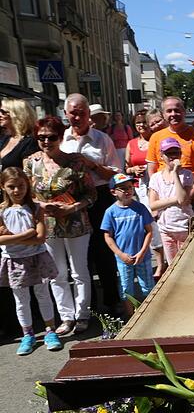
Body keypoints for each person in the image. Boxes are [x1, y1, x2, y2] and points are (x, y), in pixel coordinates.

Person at [24, 116, 97, 335]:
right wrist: (41, 205)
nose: (46, 142)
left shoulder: (76, 162)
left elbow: (91, 194)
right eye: (41, 137)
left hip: (76, 223)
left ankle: (82, 314)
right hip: (47, 224)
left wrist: (73, 207)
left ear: (60, 136)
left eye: (51, 137)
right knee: (56, 273)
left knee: (79, 272)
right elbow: (26, 196)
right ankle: (66, 317)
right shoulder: (31, 163)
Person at [61, 94, 122, 318]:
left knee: (103, 250)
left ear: (89, 115)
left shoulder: (102, 139)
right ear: (66, 113)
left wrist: (91, 164)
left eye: (81, 113)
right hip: (71, 198)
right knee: (79, 255)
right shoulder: (61, 139)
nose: (77, 117)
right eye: (73, 112)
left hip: (99, 197)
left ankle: (112, 300)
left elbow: (115, 173)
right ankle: (89, 305)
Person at [0, 167, 61, 355]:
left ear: (27, 185)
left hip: (36, 257)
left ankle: (50, 330)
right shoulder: (2, 211)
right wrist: (27, 234)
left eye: (21, 186)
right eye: (12, 187)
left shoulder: (35, 208)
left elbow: (41, 237)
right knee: (21, 299)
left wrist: (14, 237)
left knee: (43, 294)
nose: (17, 191)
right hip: (14, 260)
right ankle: (28, 334)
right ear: (3, 187)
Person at [146, 97, 194, 215]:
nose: (173, 114)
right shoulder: (155, 137)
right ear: (163, 114)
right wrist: (159, 199)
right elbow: (152, 171)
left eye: (177, 110)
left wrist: (187, 197)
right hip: (166, 202)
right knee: (167, 233)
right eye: (169, 111)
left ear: (184, 111)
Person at [101, 173, 154, 318]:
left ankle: (150, 315)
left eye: (130, 187)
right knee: (126, 289)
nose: (127, 191)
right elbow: (108, 236)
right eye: (122, 188)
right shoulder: (110, 212)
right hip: (123, 258)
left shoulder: (140, 208)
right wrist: (121, 254)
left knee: (148, 287)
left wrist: (143, 251)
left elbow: (149, 231)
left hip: (142, 256)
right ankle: (131, 317)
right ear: (113, 192)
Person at [124, 112, 166, 280]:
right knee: (149, 223)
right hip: (140, 188)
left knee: (161, 221)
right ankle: (159, 262)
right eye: (137, 124)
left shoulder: (157, 140)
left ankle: (166, 259)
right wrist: (133, 170)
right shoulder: (132, 144)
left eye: (143, 123)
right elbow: (126, 167)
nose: (141, 126)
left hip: (159, 185)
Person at [148, 138, 194, 263]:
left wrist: (175, 173)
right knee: (172, 264)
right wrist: (175, 200)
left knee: (187, 263)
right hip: (166, 228)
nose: (173, 156)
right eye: (169, 153)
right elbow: (153, 205)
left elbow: (184, 200)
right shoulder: (156, 178)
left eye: (176, 153)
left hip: (185, 226)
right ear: (162, 155)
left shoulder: (187, 174)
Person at [0, 99, 41, 171]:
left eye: (3, 112)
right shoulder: (4, 138)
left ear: (16, 115)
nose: (0, 115)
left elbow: (27, 172)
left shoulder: (30, 142)